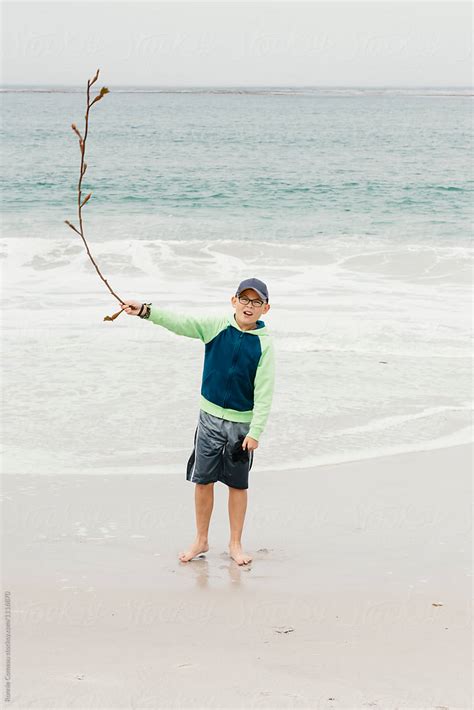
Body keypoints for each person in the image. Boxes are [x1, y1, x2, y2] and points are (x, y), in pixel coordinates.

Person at [121, 277, 275, 566]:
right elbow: (180, 322)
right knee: (202, 480)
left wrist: (256, 432)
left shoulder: (265, 345)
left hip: (241, 427)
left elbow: (265, 392)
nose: (249, 306)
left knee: (238, 486)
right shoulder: (215, 327)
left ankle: (235, 543)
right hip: (209, 421)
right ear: (234, 301)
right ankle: (201, 539)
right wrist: (145, 310)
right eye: (244, 299)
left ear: (265, 308)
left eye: (256, 302)